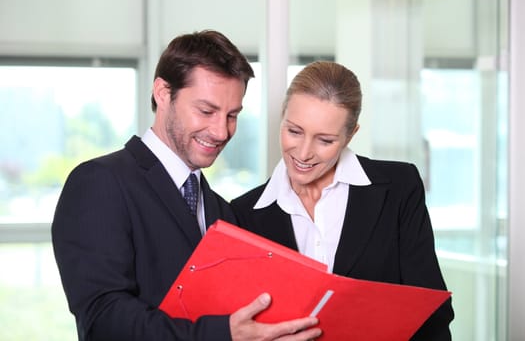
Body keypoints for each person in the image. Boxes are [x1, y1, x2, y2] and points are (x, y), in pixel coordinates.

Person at [52, 30, 322, 341]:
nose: (221, 131)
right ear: (163, 93)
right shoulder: (100, 183)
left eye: (232, 115)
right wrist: (224, 335)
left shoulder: (222, 210)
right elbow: (104, 319)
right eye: (206, 111)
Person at [230, 61, 454, 340]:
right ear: (282, 117)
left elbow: (432, 312)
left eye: (325, 140)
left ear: (350, 135)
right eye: (294, 131)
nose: (304, 152)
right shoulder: (242, 215)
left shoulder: (399, 188)